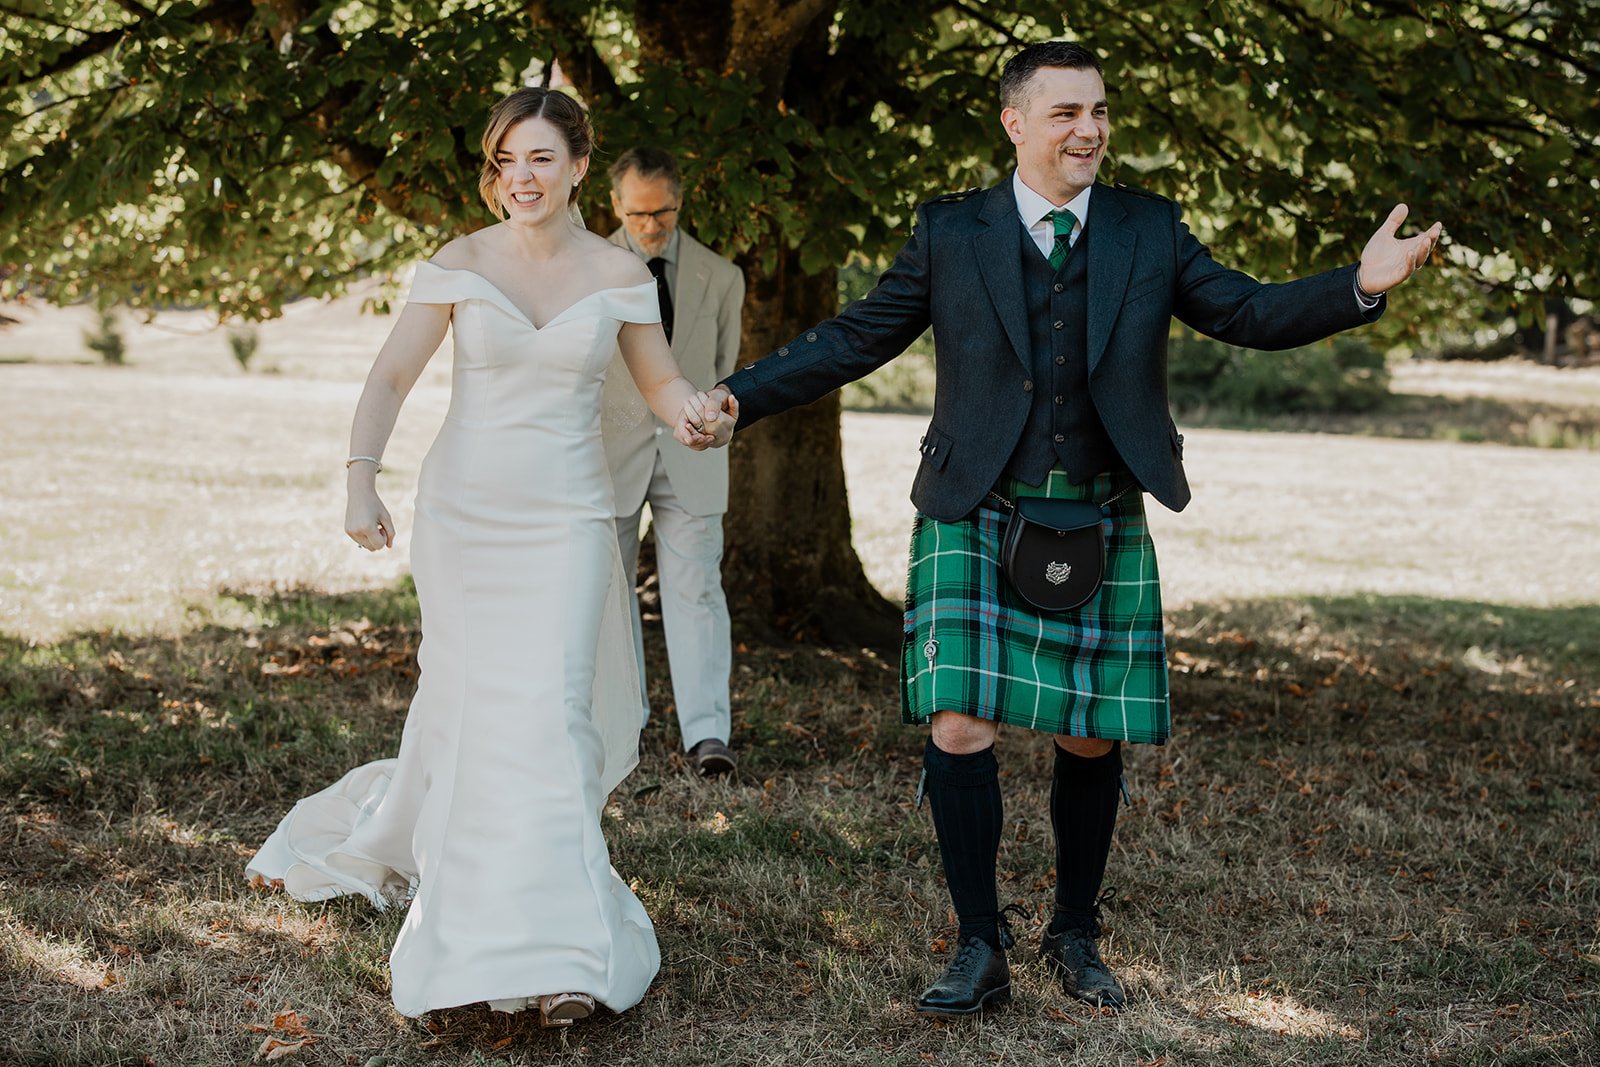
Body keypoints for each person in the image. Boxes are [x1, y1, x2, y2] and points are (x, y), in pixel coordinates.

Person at [694, 40, 1439, 1016]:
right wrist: (738, 396)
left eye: (1097, 111)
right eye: (1065, 113)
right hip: (975, 503)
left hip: (1097, 504)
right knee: (959, 721)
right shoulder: (952, 233)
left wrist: (1359, 284)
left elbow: (1248, 311)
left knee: (1092, 734)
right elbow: (854, 337)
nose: (1088, 129)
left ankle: (1075, 931)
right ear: (1014, 122)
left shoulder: (1147, 228)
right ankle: (977, 941)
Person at [245, 87, 732, 1025]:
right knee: (472, 712)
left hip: (570, 519)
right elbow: (391, 373)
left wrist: (695, 418)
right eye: (505, 161)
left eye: (541, 158)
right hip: (465, 515)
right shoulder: (458, 263)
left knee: (551, 712)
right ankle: (464, 935)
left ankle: (566, 952)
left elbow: (662, 379)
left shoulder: (618, 275)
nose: (521, 178)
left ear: (581, 166)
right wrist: (359, 479)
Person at [602, 147, 745, 777]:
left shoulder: (722, 276)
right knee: (609, 594)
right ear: (614, 205)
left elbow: (724, 371)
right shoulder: (586, 268)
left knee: (697, 592)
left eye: (662, 213)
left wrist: (714, 426)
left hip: (693, 458)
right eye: (638, 214)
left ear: (680, 204)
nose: (651, 226)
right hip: (606, 455)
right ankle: (621, 723)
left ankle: (708, 735)